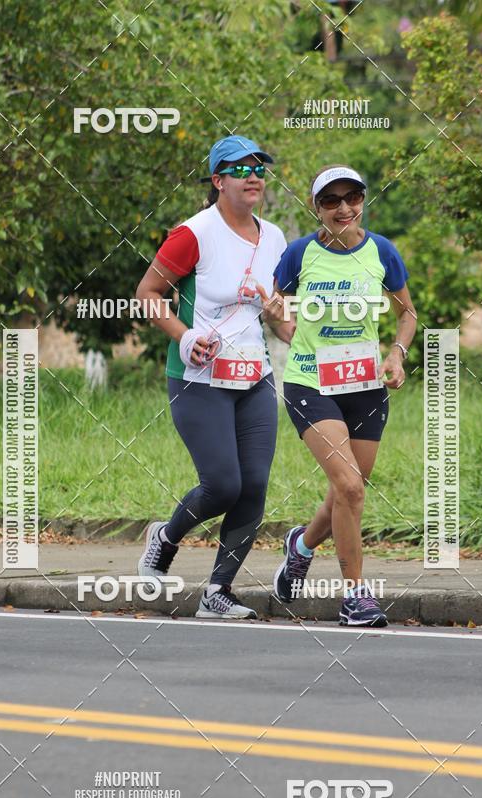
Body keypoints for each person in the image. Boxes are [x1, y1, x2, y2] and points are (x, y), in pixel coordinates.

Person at [135, 136, 287, 619]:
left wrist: (279, 313)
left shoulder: (276, 238)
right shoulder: (193, 233)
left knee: (255, 486)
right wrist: (183, 337)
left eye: (258, 168)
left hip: (255, 378)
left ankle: (217, 592)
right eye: (239, 169)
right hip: (198, 379)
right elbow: (148, 293)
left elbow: (282, 323)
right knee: (223, 484)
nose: (253, 176)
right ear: (218, 181)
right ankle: (166, 535)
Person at [266, 164, 416, 627]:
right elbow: (278, 311)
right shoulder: (298, 255)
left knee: (346, 491)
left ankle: (302, 545)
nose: (343, 208)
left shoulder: (382, 252)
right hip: (311, 383)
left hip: (366, 386)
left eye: (352, 198)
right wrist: (281, 321)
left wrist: (396, 354)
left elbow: (406, 312)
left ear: (363, 200)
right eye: (331, 201)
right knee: (350, 487)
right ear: (317, 209)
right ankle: (356, 596)